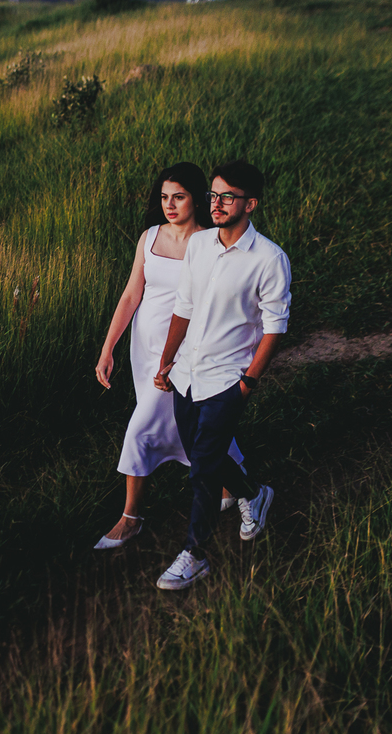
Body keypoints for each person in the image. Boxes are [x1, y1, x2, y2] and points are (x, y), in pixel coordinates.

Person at [151, 160, 291, 589]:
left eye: (227, 196)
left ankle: (195, 554)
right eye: (213, 195)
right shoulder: (199, 245)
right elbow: (184, 307)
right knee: (199, 455)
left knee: (203, 469)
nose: (216, 203)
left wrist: (247, 383)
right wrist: (167, 360)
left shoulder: (269, 259)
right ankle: (254, 492)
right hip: (187, 374)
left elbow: (274, 328)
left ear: (250, 204)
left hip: (227, 380)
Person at [93, 162, 245, 550]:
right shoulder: (149, 238)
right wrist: (108, 347)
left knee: (141, 428)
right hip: (143, 350)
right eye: (164, 197)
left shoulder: (211, 245)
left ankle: (131, 518)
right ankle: (241, 487)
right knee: (190, 422)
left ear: (197, 198)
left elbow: (214, 307)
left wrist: (181, 357)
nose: (170, 205)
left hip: (182, 354)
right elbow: (131, 296)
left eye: (178, 197)